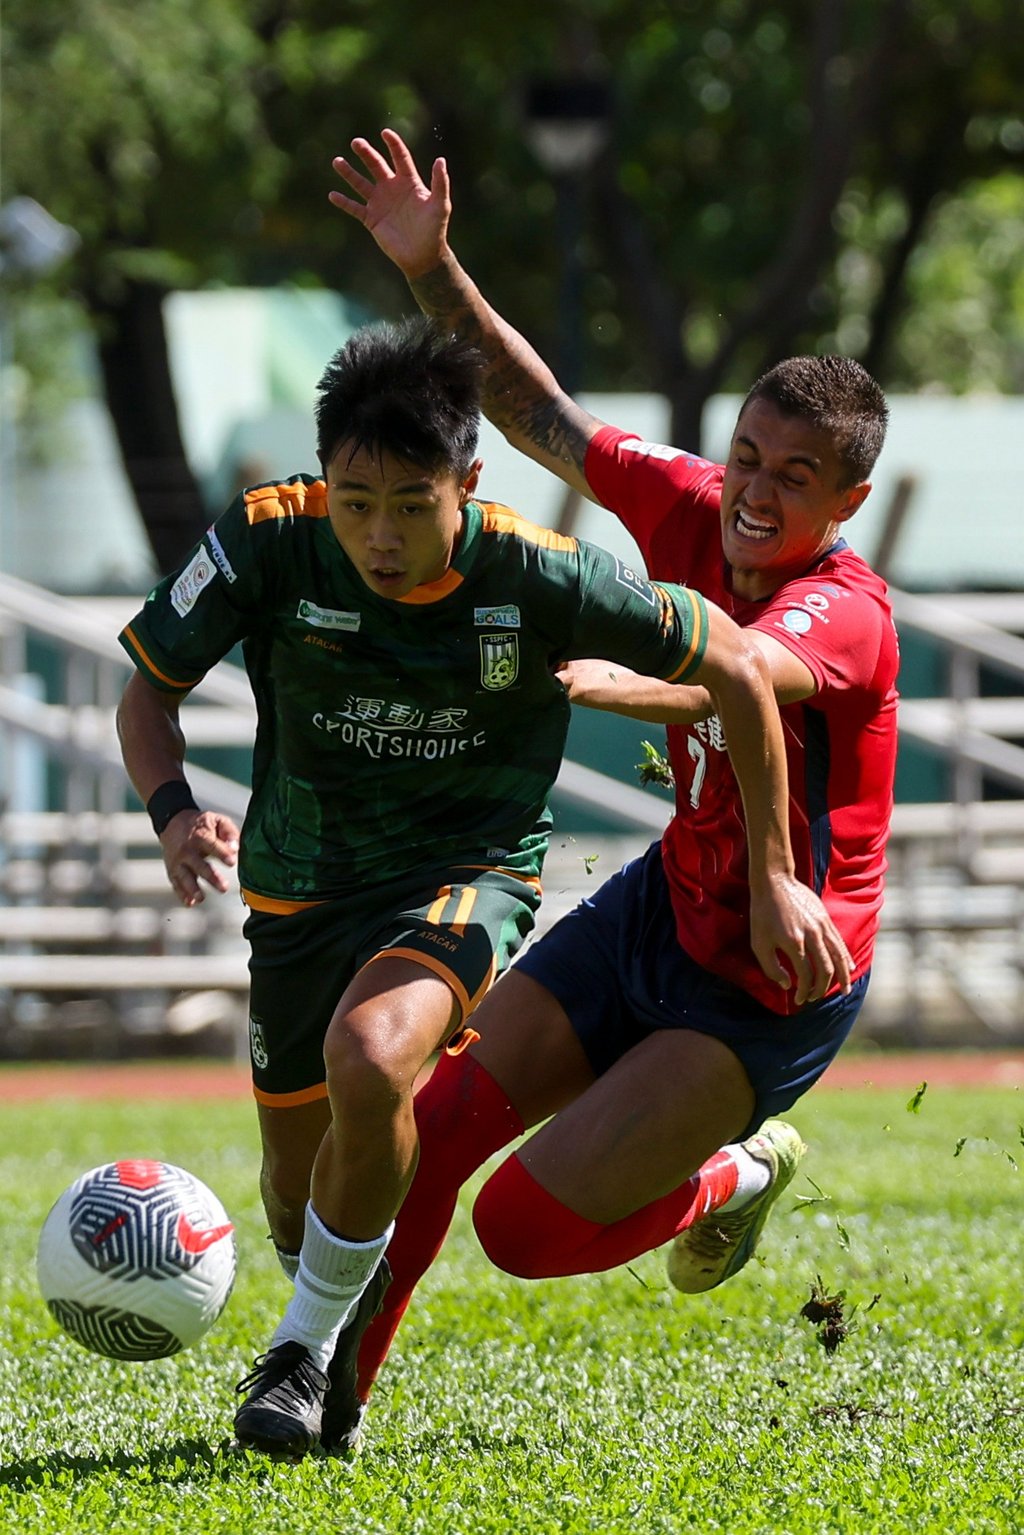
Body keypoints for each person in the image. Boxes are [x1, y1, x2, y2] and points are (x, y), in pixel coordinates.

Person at [115, 316, 848, 1459]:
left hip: (464, 880)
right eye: (355, 501)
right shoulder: (267, 539)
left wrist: (771, 875)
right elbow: (145, 695)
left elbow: (742, 674)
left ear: (469, 479)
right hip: (299, 896)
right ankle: (322, 1347)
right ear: (324, 479)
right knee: (293, 1192)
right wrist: (171, 810)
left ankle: (302, 1354)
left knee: (373, 1057)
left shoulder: (540, 571)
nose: (380, 534)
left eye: (412, 502)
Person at [322, 130, 898, 1445]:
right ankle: (323, 1396)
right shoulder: (693, 505)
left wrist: (611, 679)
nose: (753, 490)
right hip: (661, 905)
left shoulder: (850, 612)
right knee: (429, 1124)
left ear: (846, 498)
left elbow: (741, 670)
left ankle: (742, 1167)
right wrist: (434, 267)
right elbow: (542, 414)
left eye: (794, 476)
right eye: (749, 453)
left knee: (520, 1229)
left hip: (766, 976)